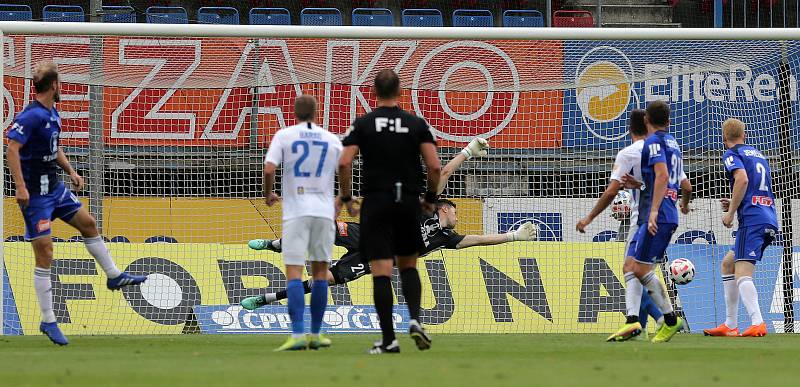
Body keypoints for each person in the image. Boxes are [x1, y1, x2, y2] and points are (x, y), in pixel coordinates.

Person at [5, 61, 147, 346]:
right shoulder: (30, 116)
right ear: (55, 85)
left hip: (55, 188)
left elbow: (53, 147)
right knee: (45, 253)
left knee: (89, 223)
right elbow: (11, 148)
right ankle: (48, 320)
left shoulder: (52, 113)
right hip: (35, 197)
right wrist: (20, 186)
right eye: (61, 84)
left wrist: (71, 170)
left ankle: (114, 276)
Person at [242, 197, 538, 306]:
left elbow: (477, 240)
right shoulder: (425, 210)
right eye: (456, 213)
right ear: (445, 209)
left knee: (324, 280)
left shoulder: (446, 238)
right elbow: (444, 172)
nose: (458, 219)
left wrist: (511, 236)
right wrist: (468, 152)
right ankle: (274, 245)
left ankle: (266, 299)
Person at [337, 69, 441, 354]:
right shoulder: (415, 124)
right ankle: (417, 320)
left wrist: (346, 197)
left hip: (376, 202)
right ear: (400, 92)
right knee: (408, 265)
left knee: (381, 270)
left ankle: (388, 340)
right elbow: (434, 165)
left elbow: (344, 163)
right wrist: (430, 199)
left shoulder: (364, 124)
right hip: (407, 201)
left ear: (373, 92)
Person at [606, 101, 692, 343]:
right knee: (632, 267)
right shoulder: (673, 143)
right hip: (665, 213)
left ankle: (669, 319)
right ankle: (634, 322)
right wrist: (640, 185)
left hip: (657, 215)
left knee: (639, 269)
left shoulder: (653, 143)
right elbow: (684, 184)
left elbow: (663, 176)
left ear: (646, 121)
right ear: (669, 121)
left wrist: (653, 211)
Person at [261, 95, 343, 351]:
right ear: (317, 112)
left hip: (296, 213)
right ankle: (316, 334)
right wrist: (344, 198)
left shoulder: (284, 135)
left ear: (294, 112)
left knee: (294, 274)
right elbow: (346, 166)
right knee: (320, 274)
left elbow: (268, 168)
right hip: (323, 213)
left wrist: (268, 194)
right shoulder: (331, 139)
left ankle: (297, 334)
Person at [575, 109, 663, 338]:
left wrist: (589, 217)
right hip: (665, 218)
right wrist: (642, 186)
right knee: (640, 272)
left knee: (631, 270)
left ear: (628, 129)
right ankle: (642, 324)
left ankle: (660, 318)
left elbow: (611, 191)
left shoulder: (629, 153)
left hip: (642, 219)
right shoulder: (662, 150)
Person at [703, 118, 778, 338]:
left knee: (742, 273)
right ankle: (730, 325)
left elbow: (742, 180)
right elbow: (753, 186)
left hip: (752, 220)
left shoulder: (731, 154)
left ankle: (758, 323)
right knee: (728, 264)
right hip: (767, 216)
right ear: (744, 135)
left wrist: (731, 211)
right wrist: (737, 201)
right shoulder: (758, 155)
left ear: (724, 138)